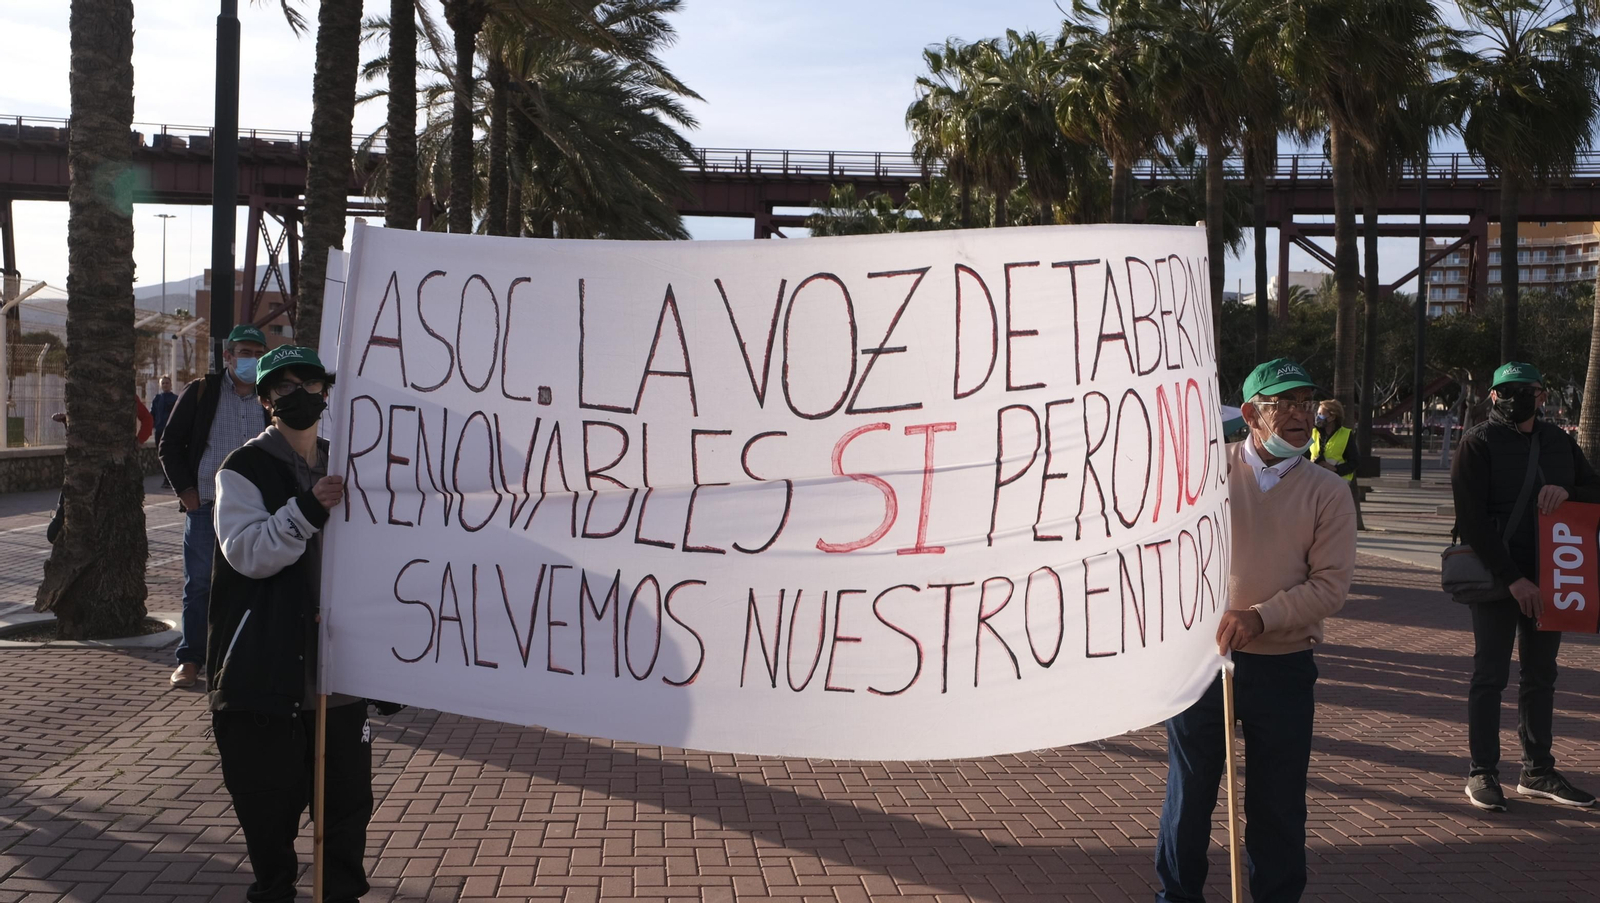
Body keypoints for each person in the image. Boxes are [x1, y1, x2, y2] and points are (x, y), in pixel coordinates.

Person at [1156, 359, 1357, 903]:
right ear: (1250, 414)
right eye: (1283, 403)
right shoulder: (1203, 475)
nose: (1300, 414)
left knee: (1278, 802)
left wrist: (1261, 616)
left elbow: (1330, 586)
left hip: (1284, 666)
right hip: (1203, 666)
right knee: (1190, 794)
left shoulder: (1328, 491)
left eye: (1306, 401)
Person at [206, 344, 373, 902]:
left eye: (310, 385)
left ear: (327, 393)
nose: (299, 396)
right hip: (268, 674)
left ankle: (341, 894)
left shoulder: (351, 460)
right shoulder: (243, 470)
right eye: (284, 388)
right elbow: (247, 553)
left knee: (346, 805)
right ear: (265, 399)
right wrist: (307, 508)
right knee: (269, 811)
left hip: (340, 676)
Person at [1452, 361, 1599, 811]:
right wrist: (1513, 579)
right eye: (1506, 390)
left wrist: (1567, 492)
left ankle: (1537, 770)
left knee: (1541, 676)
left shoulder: (1558, 441)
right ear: (1492, 396)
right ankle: (1483, 772)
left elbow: (1595, 490)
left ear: (1541, 395)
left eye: (1526, 390)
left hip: (1552, 575)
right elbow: (1471, 520)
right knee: (1489, 675)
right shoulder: (1477, 442)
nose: (1515, 397)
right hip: (1499, 578)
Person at [157, 324, 270, 689]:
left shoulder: (270, 399)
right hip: (206, 506)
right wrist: (187, 493)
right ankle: (190, 660)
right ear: (228, 355)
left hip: (257, 511)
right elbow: (169, 443)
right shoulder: (201, 392)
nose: (250, 359)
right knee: (200, 585)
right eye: (244, 352)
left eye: (256, 353)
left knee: (253, 582)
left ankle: (242, 660)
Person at [1309, 399, 1358, 482]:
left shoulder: (1345, 434)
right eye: (1318, 414)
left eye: (1321, 414)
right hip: (1315, 480)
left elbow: (1354, 462)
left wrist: (1335, 469)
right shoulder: (1313, 433)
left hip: (1337, 482)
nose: (1317, 417)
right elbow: (1302, 457)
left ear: (1332, 417)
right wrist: (1311, 463)